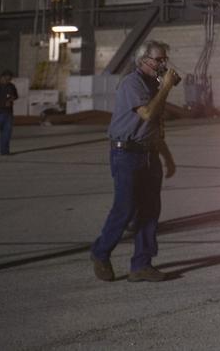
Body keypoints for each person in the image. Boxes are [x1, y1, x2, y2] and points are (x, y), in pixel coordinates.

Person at [90, 41, 180, 282]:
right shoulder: (133, 82)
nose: (162, 64)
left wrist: (168, 159)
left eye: (164, 59)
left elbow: (154, 127)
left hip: (149, 153)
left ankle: (141, 264)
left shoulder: (153, 84)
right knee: (125, 208)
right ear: (143, 60)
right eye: (158, 60)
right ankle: (100, 252)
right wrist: (166, 88)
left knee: (150, 211)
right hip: (126, 154)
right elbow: (147, 113)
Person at [0, 70, 18, 155]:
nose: (8, 81)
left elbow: (15, 96)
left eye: (9, 79)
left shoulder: (11, 86)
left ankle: (4, 151)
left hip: (8, 113)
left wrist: (11, 99)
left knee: (7, 134)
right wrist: (3, 103)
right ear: (1, 77)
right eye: (6, 79)